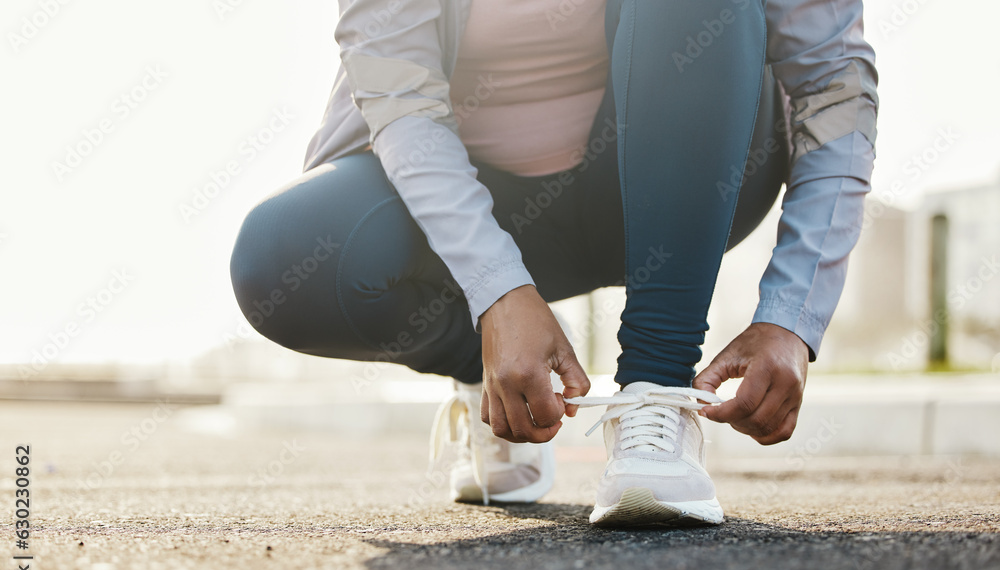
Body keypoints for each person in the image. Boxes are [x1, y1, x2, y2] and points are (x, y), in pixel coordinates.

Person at [230, 0, 878, 527]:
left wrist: (793, 316)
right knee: (278, 261)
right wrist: (497, 290)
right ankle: (505, 386)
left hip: (670, 195)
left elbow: (835, 86)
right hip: (465, 208)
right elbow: (403, 106)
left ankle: (656, 397)